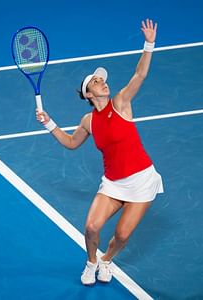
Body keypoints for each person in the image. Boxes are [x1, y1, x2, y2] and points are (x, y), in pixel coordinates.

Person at [36, 19, 163, 286]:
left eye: (102, 80)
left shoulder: (121, 102)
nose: (103, 83)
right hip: (113, 183)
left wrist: (148, 43)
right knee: (92, 227)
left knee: (123, 235)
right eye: (96, 82)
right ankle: (91, 262)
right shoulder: (88, 121)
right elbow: (71, 143)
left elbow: (139, 75)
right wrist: (49, 123)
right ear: (89, 93)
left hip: (141, 180)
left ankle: (106, 260)